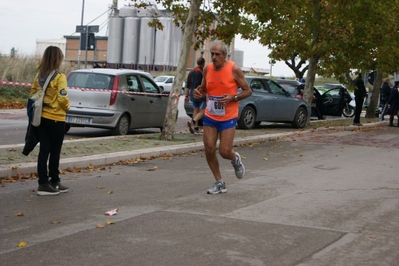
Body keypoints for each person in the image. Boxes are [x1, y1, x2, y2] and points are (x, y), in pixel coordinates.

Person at [193, 40, 252, 194]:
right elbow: (204, 89)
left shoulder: (234, 69)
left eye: (217, 54)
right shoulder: (207, 69)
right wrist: (199, 93)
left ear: (225, 55)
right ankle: (219, 182)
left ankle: (235, 159)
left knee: (224, 151)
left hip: (228, 117)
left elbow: (248, 91)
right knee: (209, 149)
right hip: (211, 115)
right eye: (212, 54)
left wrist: (233, 98)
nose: (213, 57)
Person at [30, 46, 71, 196]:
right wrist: (67, 107)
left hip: (42, 118)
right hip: (56, 118)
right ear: (57, 59)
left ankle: (43, 183)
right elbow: (62, 97)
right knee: (55, 151)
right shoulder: (60, 77)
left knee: (44, 150)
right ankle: (54, 180)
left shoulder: (38, 75)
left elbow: (33, 93)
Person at [185, 57, 206, 135]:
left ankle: (196, 127)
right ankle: (193, 121)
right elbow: (204, 83)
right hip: (201, 94)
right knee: (202, 111)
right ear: (203, 63)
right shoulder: (202, 72)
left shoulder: (191, 72)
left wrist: (186, 96)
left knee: (195, 110)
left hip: (193, 95)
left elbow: (188, 85)